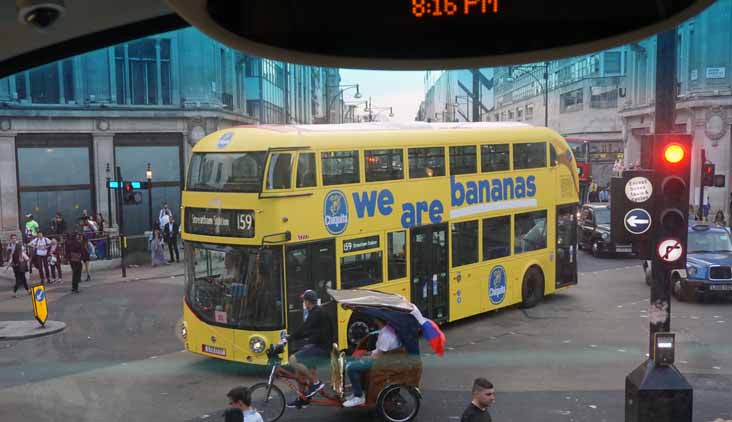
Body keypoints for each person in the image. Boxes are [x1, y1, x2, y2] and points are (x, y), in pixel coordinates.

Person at [281, 289, 333, 408]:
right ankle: (303, 398)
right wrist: (295, 338)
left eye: (304, 300)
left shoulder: (316, 313)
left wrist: (289, 338)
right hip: (319, 346)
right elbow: (309, 331)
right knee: (298, 370)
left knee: (293, 359)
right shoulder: (318, 312)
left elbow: (304, 329)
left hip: (322, 349)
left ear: (308, 302)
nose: (303, 303)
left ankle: (316, 383)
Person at [342, 316, 404, 407]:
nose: (373, 320)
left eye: (375, 318)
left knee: (351, 367)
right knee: (354, 360)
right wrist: (368, 353)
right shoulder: (387, 330)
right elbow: (379, 350)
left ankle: (359, 397)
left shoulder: (386, 335)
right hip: (384, 359)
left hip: (383, 363)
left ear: (378, 320)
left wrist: (365, 358)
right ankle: (359, 391)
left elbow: (379, 356)